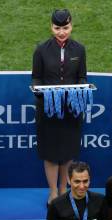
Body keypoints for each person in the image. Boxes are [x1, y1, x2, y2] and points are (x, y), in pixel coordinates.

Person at [32, 9, 87, 205]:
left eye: (65, 28)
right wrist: (41, 92)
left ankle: (64, 188)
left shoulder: (79, 50)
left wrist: (79, 89)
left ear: (71, 26)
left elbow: (82, 76)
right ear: (51, 27)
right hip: (48, 109)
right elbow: (36, 77)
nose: (61, 32)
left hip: (71, 109)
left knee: (67, 152)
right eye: (57, 28)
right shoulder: (41, 50)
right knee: (50, 152)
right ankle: (53, 191)